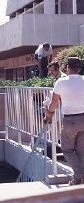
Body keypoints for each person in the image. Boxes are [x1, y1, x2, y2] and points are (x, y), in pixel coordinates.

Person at [44, 57, 84, 185]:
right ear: (79, 68)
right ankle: (79, 178)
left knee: (67, 149)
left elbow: (54, 102)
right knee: (81, 150)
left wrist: (48, 113)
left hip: (70, 120)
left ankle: (78, 175)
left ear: (67, 67)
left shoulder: (61, 82)